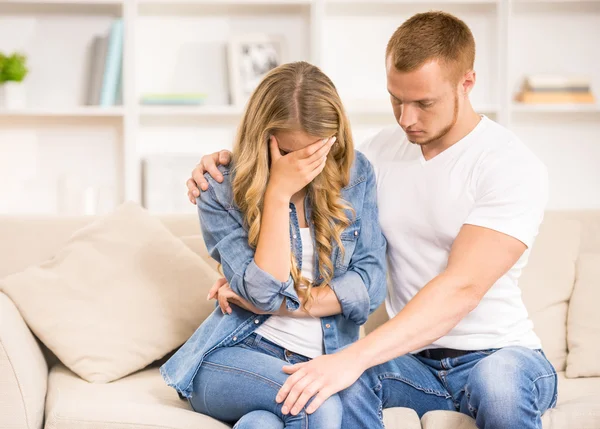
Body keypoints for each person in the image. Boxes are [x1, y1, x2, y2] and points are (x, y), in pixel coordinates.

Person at [186, 11, 558, 429]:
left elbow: (462, 289)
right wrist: (219, 167)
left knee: (499, 384)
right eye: (396, 99)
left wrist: (345, 351)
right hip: (412, 362)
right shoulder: (375, 156)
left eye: (424, 103)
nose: (406, 119)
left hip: (501, 352)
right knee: (330, 386)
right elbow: (296, 177)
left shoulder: (509, 163)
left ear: (466, 83)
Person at [160, 61, 387, 429]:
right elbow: (264, 293)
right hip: (235, 355)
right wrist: (278, 194)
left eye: (318, 153)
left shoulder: (356, 174)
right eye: (292, 155)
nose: (308, 168)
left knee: (261, 425)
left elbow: (371, 286)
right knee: (319, 406)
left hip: (324, 358)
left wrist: (294, 304)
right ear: (264, 139)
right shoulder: (218, 187)